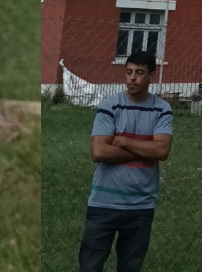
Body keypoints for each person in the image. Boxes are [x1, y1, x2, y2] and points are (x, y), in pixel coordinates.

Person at [79, 51, 173, 272]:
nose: (132, 78)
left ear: (152, 74)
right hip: (103, 202)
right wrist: (144, 149)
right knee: (90, 265)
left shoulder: (162, 109)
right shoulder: (110, 106)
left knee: (130, 266)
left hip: (141, 204)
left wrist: (123, 141)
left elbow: (162, 150)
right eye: (129, 72)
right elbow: (99, 152)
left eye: (139, 73)